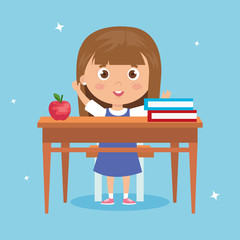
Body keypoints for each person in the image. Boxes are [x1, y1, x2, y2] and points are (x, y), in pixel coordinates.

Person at [72, 26, 171, 205]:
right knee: (109, 173)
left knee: (127, 173)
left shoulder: (132, 112)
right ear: (85, 77)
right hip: (107, 148)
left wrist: (162, 101)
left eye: (133, 74)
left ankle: (126, 196)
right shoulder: (103, 112)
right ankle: (110, 196)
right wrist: (79, 91)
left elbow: (148, 109)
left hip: (128, 148)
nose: (118, 84)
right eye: (104, 74)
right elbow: (90, 105)